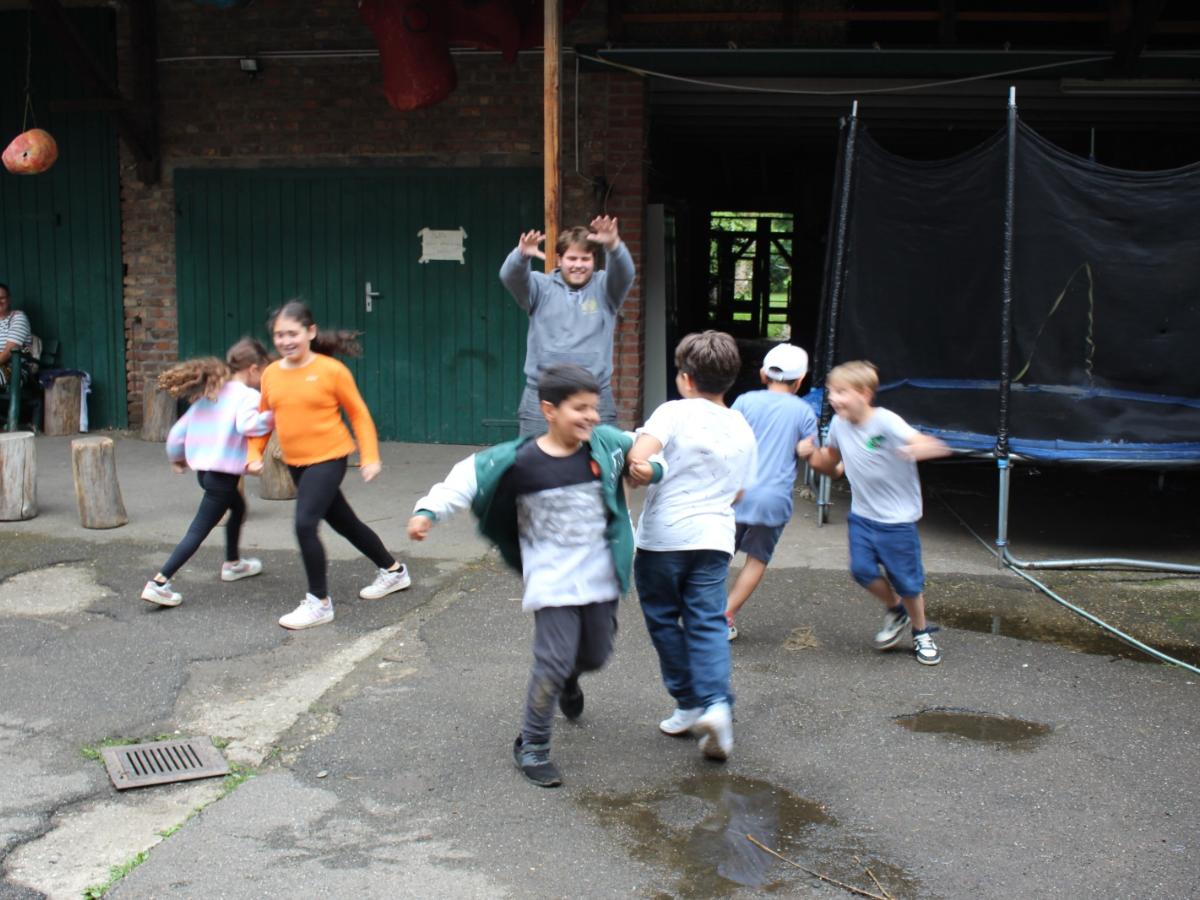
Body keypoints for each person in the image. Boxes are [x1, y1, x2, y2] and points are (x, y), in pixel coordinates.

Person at [406, 364, 663, 788]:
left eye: (594, 408)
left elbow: (646, 448)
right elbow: (465, 477)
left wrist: (651, 468)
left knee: (596, 655)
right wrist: (427, 512)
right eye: (579, 408)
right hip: (553, 580)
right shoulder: (520, 460)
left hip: (599, 576)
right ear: (549, 409)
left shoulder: (606, 445)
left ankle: (569, 682)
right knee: (553, 658)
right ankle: (533, 744)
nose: (591, 417)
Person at [627, 331, 758, 762]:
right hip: (715, 540)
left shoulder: (674, 412)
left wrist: (640, 470)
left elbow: (639, 458)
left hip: (664, 539)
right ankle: (717, 705)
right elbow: (740, 492)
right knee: (707, 622)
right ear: (730, 380)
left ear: (685, 378)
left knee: (664, 621)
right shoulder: (742, 426)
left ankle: (688, 701)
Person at [247, 300, 411, 630]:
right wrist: (254, 454)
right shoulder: (271, 374)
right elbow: (264, 421)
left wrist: (370, 456)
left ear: (311, 332)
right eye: (279, 335)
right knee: (344, 522)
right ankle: (393, 571)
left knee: (305, 523)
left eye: (292, 333)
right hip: (296, 462)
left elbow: (359, 414)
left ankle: (319, 603)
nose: (285, 341)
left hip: (329, 458)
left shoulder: (331, 371)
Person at [798, 360, 951, 666]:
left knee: (908, 582)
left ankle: (921, 632)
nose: (833, 398)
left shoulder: (886, 422)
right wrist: (811, 456)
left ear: (865, 394)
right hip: (862, 517)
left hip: (897, 522)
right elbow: (832, 466)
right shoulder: (840, 425)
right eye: (831, 391)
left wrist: (921, 448)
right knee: (862, 571)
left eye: (841, 392)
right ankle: (897, 610)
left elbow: (929, 443)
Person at [141, 339, 275, 607]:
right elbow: (249, 424)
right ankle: (159, 582)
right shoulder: (248, 396)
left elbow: (179, 431)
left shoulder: (212, 392)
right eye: (263, 372)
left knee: (238, 509)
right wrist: (275, 414)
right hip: (223, 478)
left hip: (205, 473)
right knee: (198, 531)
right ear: (252, 369)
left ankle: (233, 563)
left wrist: (177, 458)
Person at [499, 216, 635, 436]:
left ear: (593, 260)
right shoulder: (539, 287)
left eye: (585, 258)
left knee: (599, 465)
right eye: (572, 258)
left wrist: (613, 244)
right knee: (535, 463)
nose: (578, 265)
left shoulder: (606, 288)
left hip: (595, 395)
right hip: (542, 395)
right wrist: (521, 255)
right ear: (560, 259)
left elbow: (625, 272)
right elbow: (510, 276)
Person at [725, 343, 820, 641]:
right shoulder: (804, 411)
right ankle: (724, 617)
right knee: (756, 559)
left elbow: (725, 439)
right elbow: (811, 455)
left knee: (718, 555)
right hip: (773, 499)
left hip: (735, 493)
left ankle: (699, 611)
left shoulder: (743, 401)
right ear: (801, 380)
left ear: (763, 373)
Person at [0, 283, 33, 387]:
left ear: (9, 299)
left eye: (2, 298)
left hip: (14, 370)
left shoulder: (18, 318)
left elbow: (8, 352)